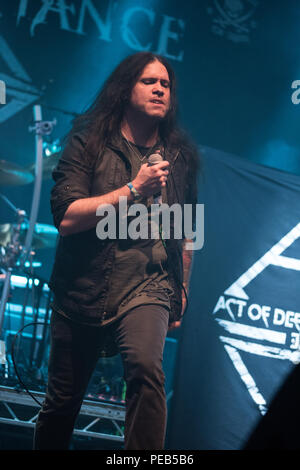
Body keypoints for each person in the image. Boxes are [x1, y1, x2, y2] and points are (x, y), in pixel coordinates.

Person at [33, 52, 199, 450]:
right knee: (61, 404)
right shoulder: (88, 140)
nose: (160, 89)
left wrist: (183, 288)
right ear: (126, 89)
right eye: (149, 82)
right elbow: (68, 217)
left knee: (145, 368)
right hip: (83, 285)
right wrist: (133, 190)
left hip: (149, 284)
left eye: (166, 84)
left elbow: (187, 232)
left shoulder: (181, 156)